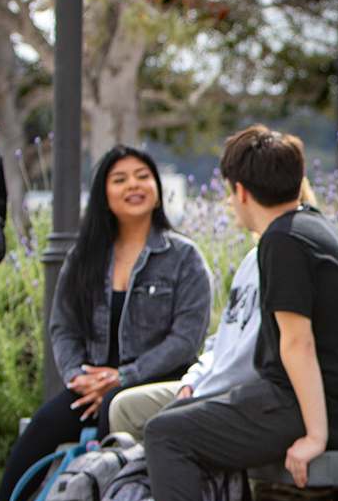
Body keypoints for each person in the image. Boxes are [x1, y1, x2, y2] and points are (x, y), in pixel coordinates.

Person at [107, 126, 338, 501]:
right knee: (181, 420)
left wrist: (317, 435)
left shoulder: (282, 241)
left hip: (320, 409)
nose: (229, 203)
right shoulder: (307, 227)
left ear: (242, 191)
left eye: (229, 193)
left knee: (166, 433)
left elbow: (297, 343)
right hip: (313, 400)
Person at [0, 145, 212, 501]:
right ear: (104, 193)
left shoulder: (183, 257)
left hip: (157, 382)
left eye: (142, 176)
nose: (133, 185)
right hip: (93, 384)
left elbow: (185, 340)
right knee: (45, 424)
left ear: (157, 189)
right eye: (120, 179)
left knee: (109, 418)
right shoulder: (84, 258)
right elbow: (62, 328)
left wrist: (122, 376)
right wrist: (78, 378)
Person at [99, 179, 317, 440]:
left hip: (240, 393)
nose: (228, 201)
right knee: (122, 407)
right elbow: (220, 341)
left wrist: (200, 391)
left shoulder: (282, 260)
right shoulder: (251, 260)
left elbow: (244, 358)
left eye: (233, 192)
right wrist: (193, 380)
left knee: (158, 424)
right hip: (207, 381)